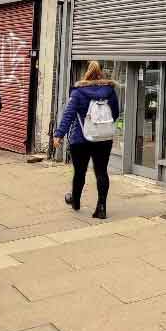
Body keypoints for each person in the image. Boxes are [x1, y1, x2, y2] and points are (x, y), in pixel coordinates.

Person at [53, 61, 120, 219]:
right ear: (101, 73)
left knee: (80, 172)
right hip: (103, 139)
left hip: (80, 139)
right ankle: (101, 208)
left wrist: (59, 135)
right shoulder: (110, 92)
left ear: (86, 73)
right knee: (101, 171)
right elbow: (115, 113)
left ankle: (75, 201)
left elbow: (68, 115)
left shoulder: (78, 92)